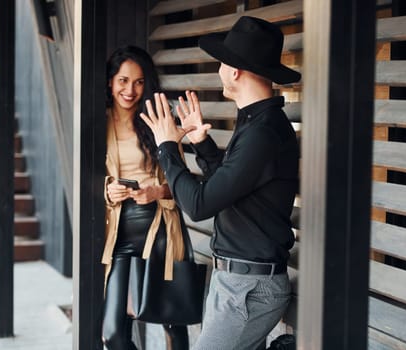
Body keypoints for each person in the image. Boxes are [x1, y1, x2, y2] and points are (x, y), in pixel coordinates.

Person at [140, 16, 301, 350]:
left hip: (249, 288)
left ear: (235, 70)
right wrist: (201, 144)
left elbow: (198, 205)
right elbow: (227, 192)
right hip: (236, 282)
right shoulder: (256, 123)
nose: (220, 70)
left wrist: (168, 148)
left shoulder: (263, 132)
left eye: (222, 63)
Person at [102, 45, 189, 350]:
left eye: (139, 82)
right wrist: (107, 188)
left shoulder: (157, 120)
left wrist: (155, 191)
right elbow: (86, 175)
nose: (130, 90)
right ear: (111, 81)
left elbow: (182, 182)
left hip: (160, 229)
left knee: (173, 325)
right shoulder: (98, 122)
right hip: (119, 233)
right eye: (123, 80)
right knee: (113, 333)